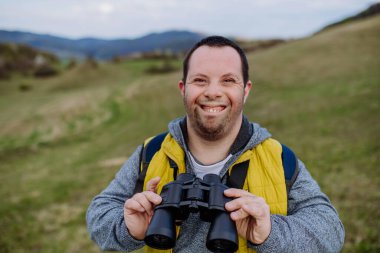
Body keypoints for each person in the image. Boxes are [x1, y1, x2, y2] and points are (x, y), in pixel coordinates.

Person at [86, 36, 345, 252]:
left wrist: (269, 232)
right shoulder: (152, 152)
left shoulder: (278, 158)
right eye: (200, 80)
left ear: (246, 90)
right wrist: (128, 227)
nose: (212, 92)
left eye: (228, 80)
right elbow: (98, 214)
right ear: (182, 89)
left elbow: (331, 232)